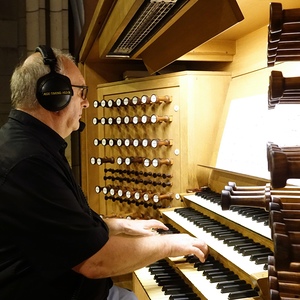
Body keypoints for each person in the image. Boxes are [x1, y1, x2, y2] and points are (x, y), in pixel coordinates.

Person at [0, 45, 208, 300]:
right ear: (55, 95)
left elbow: (60, 231)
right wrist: (170, 244)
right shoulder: (27, 161)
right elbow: (93, 261)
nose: (86, 103)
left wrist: (117, 226)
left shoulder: (29, 144)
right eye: (81, 92)